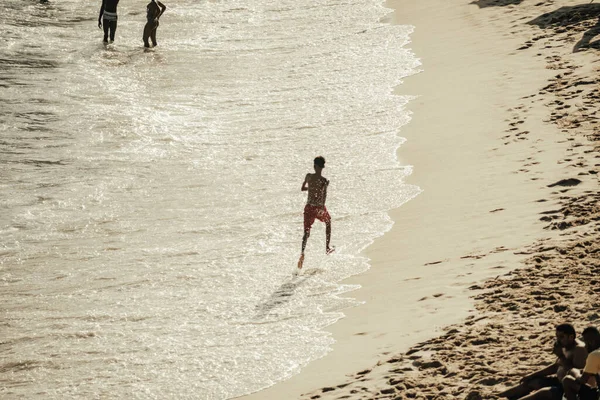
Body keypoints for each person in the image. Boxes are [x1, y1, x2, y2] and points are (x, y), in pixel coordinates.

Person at [499, 323, 588, 400]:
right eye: (557, 336)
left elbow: (576, 375)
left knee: (543, 393)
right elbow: (556, 366)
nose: (558, 340)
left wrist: (560, 355)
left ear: (571, 337)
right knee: (532, 382)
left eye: (561, 337)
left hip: (568, 389)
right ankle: (497, 396)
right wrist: (532, 375)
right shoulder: (565, 345)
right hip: (558, 381)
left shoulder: (579, 350)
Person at [297, 156, 333, 269]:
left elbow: (303, 188)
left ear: (314, 166)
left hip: (308, 208)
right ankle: (327, 247)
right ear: (322, 167)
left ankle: (302, 253)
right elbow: (323, 198)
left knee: (306, 232)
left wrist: (311, 189)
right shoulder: (323, 181)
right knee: (328, 221)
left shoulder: (308, 176)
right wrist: (325, 187)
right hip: (318, 208)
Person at [562, 326, 600, 400]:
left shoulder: (594, 355)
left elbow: (582, 380)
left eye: (586, 343)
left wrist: (573, 371)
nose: (585, 347)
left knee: (567, 380)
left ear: (591, 342)